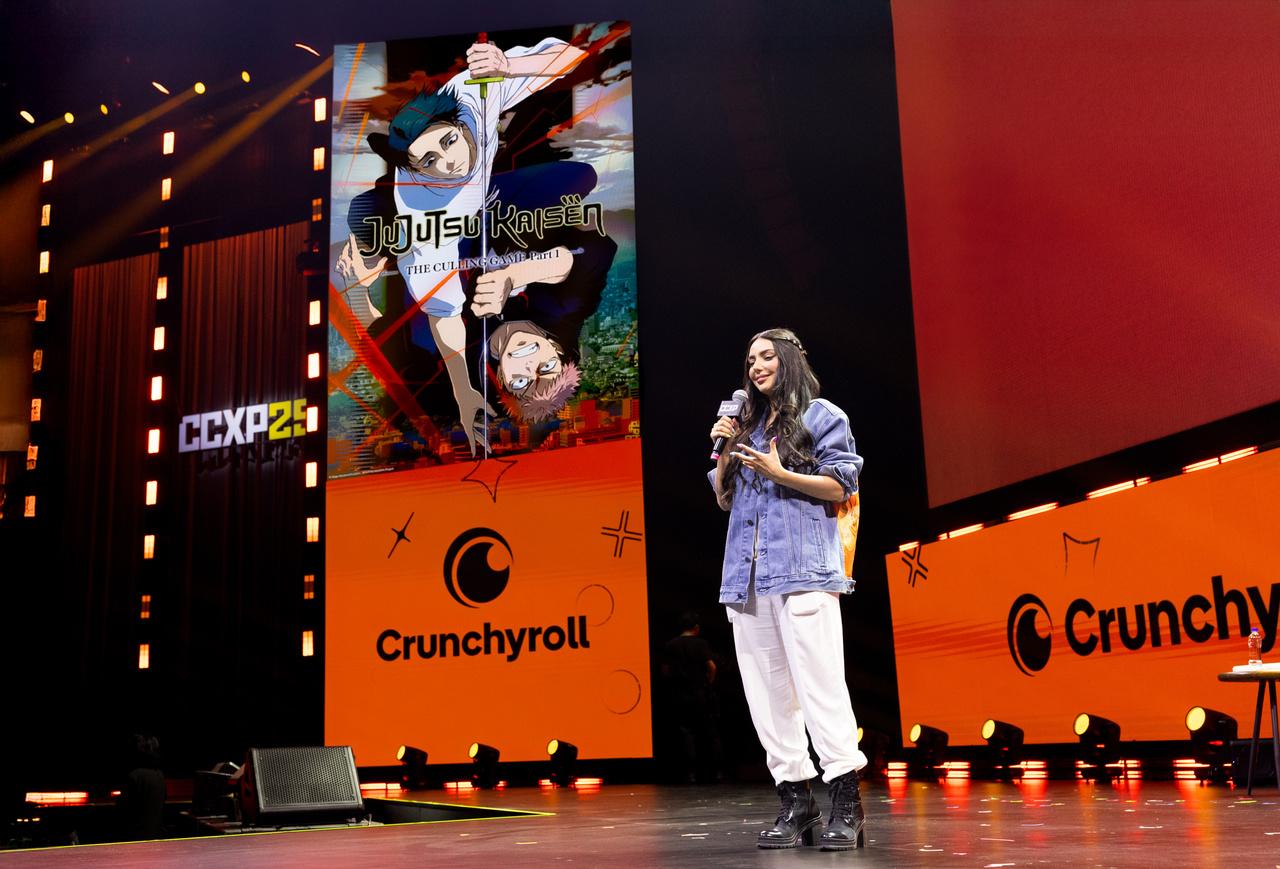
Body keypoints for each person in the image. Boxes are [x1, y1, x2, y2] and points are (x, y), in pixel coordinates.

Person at [335, 36, 588, 452]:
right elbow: (444, 314)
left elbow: (573, 57)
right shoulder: (421, 208)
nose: (448, 161)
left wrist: (509, 66)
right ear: (416, 168)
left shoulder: (473, 93)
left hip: (498, 197)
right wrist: (463, 390)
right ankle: (366, 257)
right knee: (369, 214)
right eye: (429, 161)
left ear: (457, 123)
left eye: (448, 142)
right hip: (450, 221)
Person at [707, 327, 867, 851]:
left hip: (803, 572)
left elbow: (841, 484)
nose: (755, 366)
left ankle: (846, 802)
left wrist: (780, 473)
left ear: (790, 360)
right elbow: (724, 497)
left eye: (766, 356)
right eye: (750, 358)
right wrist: (726, 448)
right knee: (767, 697)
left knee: (821, 688)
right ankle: (796, 802)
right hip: (747, 579)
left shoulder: (823, 416)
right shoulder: (745, 427)